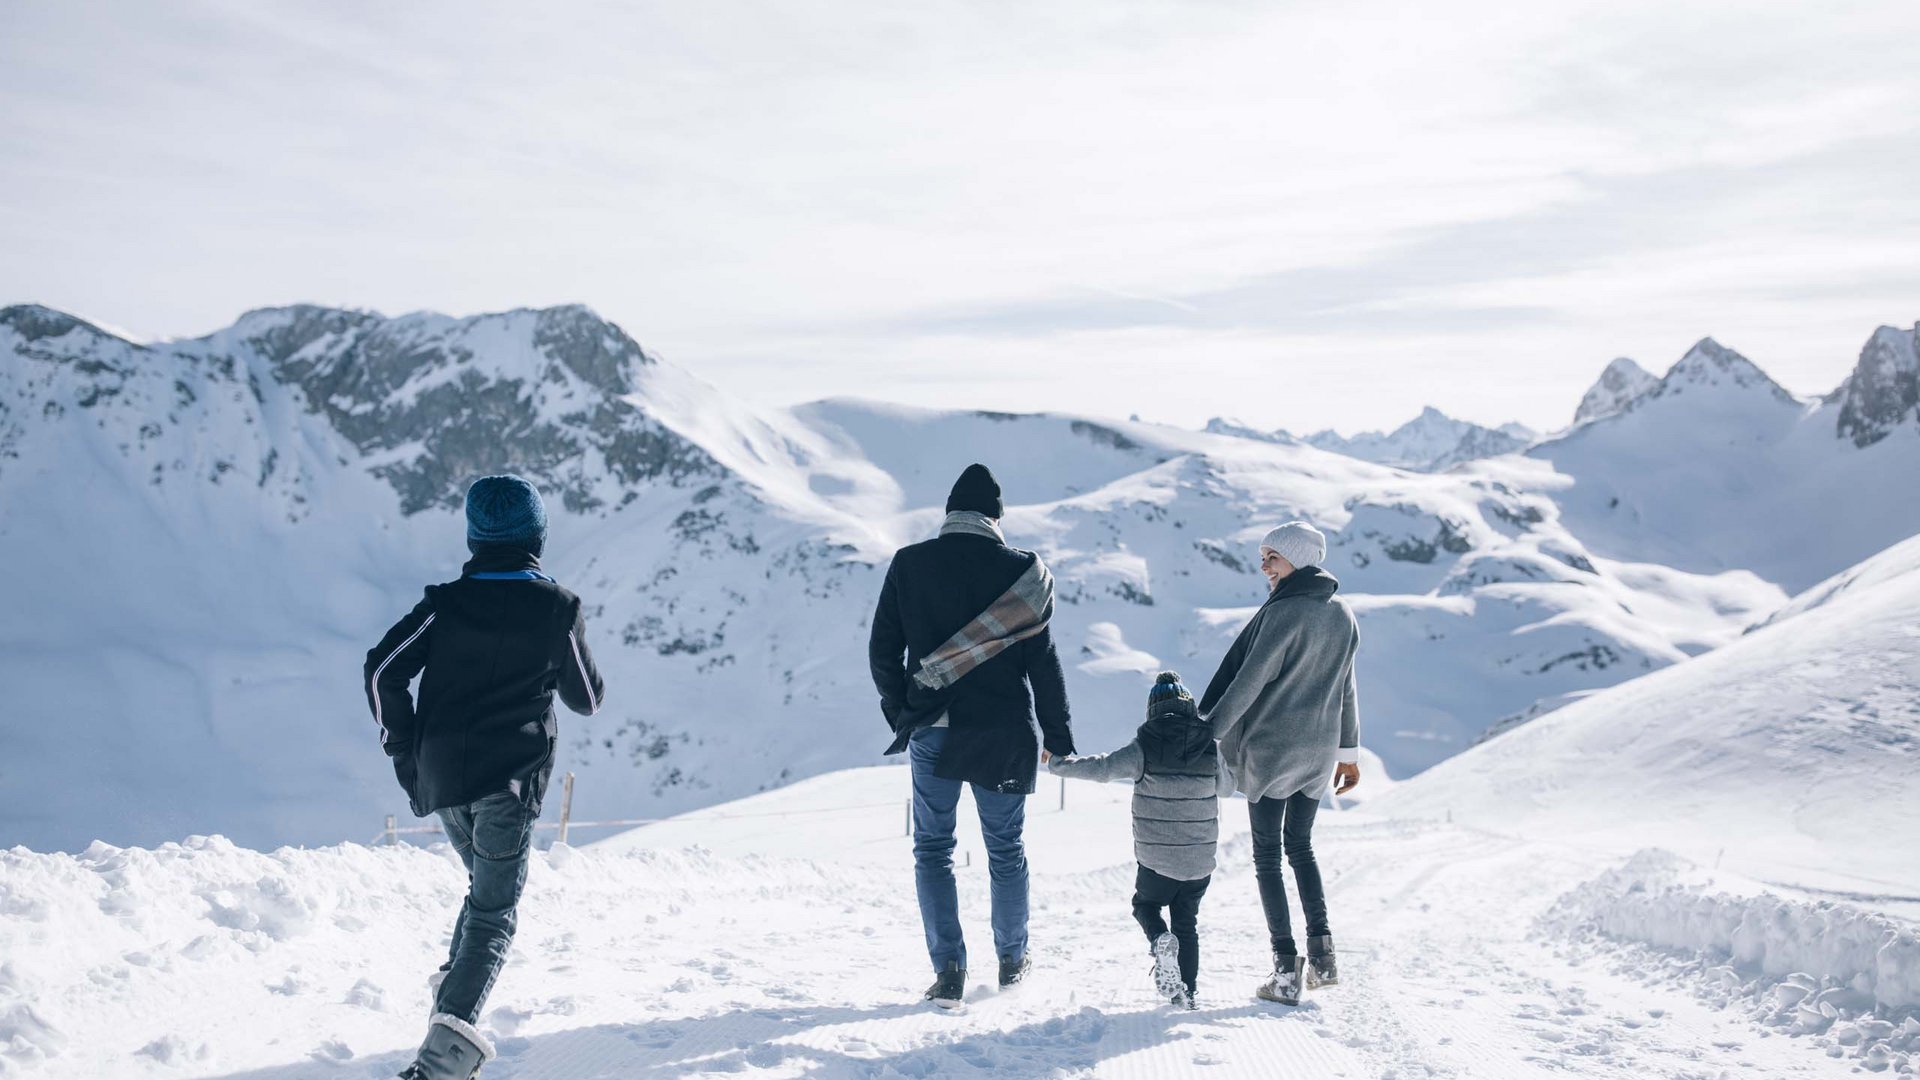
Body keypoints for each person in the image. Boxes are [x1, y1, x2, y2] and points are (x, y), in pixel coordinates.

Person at [364, 474, 606, 1080]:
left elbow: (381, 672)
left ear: (475, 538)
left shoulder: (444, 604)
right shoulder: (558, 607)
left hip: (441, 778)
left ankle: (447, 1013)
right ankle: (443, 1064)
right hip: (510, 780)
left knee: (482, 898)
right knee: (495, 913)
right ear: (538, 535)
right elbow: (588, 700)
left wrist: (403, 747)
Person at [868, 463, 1076, 1008]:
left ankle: (950, 970)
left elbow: (882, 650)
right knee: (1005, 850)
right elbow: (1044, 664)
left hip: (933, 729)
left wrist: (903, 710)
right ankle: (1013, 961)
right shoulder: (1024, 575)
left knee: (933, 849)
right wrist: (1059, 735)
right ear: (996, 518)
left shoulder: (909, 564)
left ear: (948, 515)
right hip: (1003, 732)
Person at [1198, 521, 1359, 1007]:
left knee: (1268, 857)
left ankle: (1286, 970)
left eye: (1273, 557)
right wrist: (1348, 753)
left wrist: (1206, 734)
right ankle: (1324, 957)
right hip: (1318, 753)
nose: (1264, 566)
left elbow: (1249, 680)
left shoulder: (1284, 612)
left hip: (1273, 750)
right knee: (1302, 849)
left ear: (1299, 561)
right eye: (1264, 556)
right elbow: (1346, 687)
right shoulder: (1343, 614)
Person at [1048, 671, 1234, 1009]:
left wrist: (1060, 765)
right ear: (1190, 708)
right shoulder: (1210, 745)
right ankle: (1186, 994)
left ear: (1153, 710)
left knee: (1145, 906)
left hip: (1157, 862)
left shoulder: (1144, 746)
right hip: (1198, 863)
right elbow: (1227, 789)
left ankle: (1159, 938)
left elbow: (1102, 768)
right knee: (1187, 923)